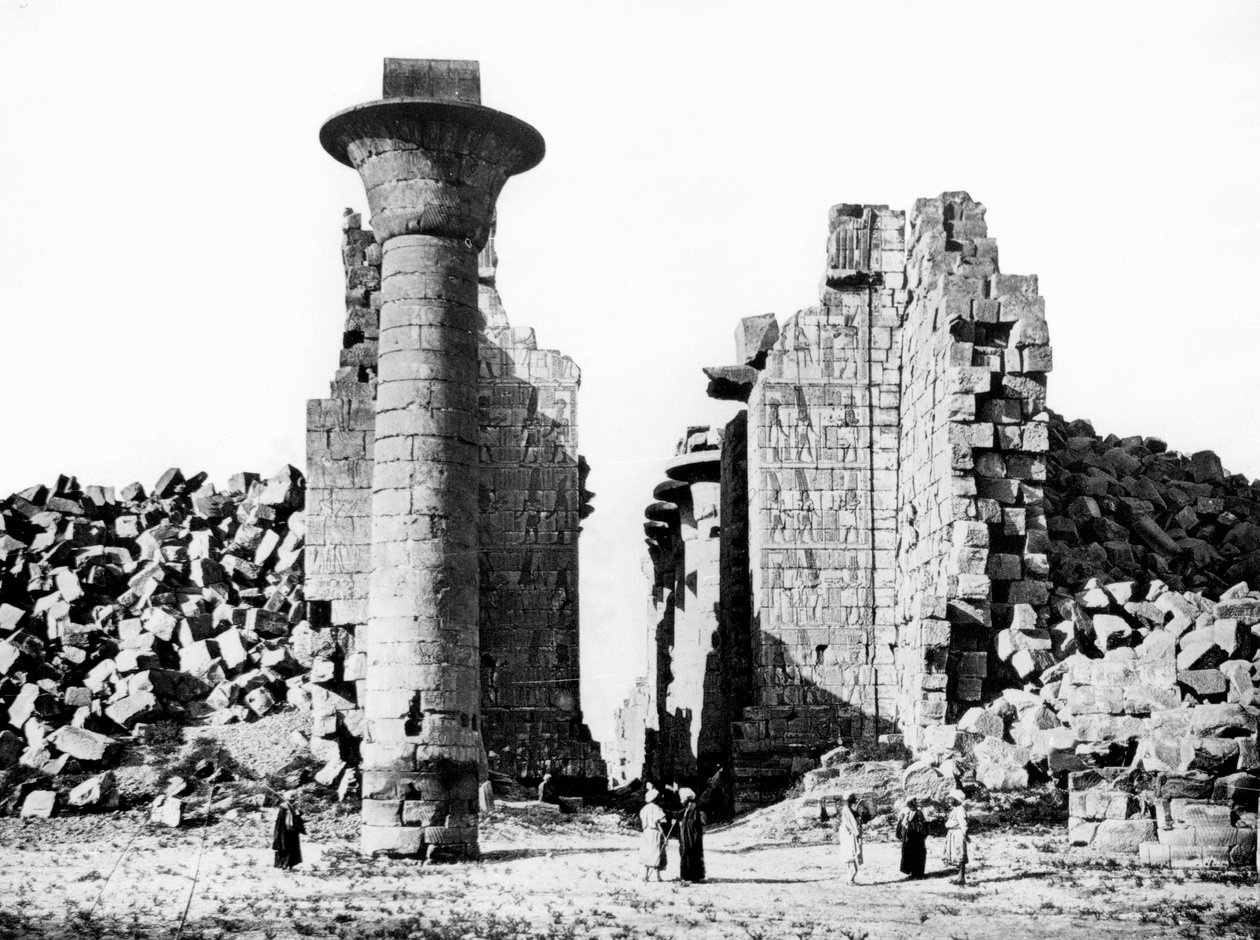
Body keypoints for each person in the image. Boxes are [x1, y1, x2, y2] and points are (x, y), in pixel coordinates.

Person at [638, 789, 668, 882]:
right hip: (655, 832)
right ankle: (657, 876)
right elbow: (662, 821)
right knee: (656, 851)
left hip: (646, 832)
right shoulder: (656, 808)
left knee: (647, 852)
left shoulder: (644, 809)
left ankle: (646, 875)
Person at [676, 788, 705, 883]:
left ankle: (693, 877)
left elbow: (695, 823)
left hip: (692, 835)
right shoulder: (687, 808)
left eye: (682, 798)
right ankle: (687, 876)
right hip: (686, 834)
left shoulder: (694, 807)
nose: (681, 800)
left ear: (687, 798)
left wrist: (685, 823)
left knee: (692, 853)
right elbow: (677, 814)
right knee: (685, 853)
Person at [896, 798, 928, 880]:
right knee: (910, 854)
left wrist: (911, 825)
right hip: (909, 837)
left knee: (917, 855)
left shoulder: (919, 813)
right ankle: (912, 873)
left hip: (917, 838)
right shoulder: (907, 812)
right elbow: (903, 823)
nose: (909, 806)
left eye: (910, 804)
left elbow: (923, 825)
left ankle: (919, 874)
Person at [272, 791, 305, 870]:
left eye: (294, 798)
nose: (294, 800)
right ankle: (283, 865)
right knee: (284, 847)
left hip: (292, 832)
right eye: (292, 798)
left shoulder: (292, 807)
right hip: (285, 831)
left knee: (293, 848)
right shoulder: (283, 807)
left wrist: (298, 812)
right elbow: (281, 821)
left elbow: (297, 816)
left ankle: (290, 865)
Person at [835, 793, 863, 884]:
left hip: (850, 833)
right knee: (850, 853)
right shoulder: (846, 810)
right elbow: (850, 824)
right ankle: (850, 878)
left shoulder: (850, 810)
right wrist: (856, 831)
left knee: (852, 853)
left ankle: (850, 878)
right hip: (848, 834)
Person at [944, 790, 970, 886]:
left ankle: (961, 877)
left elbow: (963, 823)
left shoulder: (960, 810)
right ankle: (960, 877)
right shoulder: (956, 809)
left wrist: (965, 834)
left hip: (958, 834)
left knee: (960, 854)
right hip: (953, 833)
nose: (949, 800)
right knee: (957, 854)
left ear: (956, 800)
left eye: (951, 799)